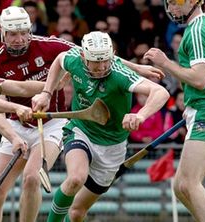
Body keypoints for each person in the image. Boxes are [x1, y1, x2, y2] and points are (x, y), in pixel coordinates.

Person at [0, 6, 166, 222]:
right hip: (17, 125)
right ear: (1, 33)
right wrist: (15, 120)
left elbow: (95, 57)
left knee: (31, 178)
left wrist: (136, 69)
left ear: (30, 29)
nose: (19, 39)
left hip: (51, 123)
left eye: (23, 32)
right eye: (12, 34)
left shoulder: (49, 45)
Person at [32, 31, 170, 222]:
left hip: (113, 146)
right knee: (75, 179)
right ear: (83, 57)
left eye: (105, 60)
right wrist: (46, 93)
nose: (101, 67)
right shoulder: (75, 61)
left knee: (77, 212)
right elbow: (59, 59)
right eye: (95, 62)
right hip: (81, 130)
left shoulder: (119, 74)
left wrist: (140, 115)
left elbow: (160, 92)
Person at [142, 0, 205, 221]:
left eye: (176, 2)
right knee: (180, 186)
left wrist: (165, 62)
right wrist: (194, 103)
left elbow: (200, 79)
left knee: (190, 184)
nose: (171, 7)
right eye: (169, 3)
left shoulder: (197, 30)